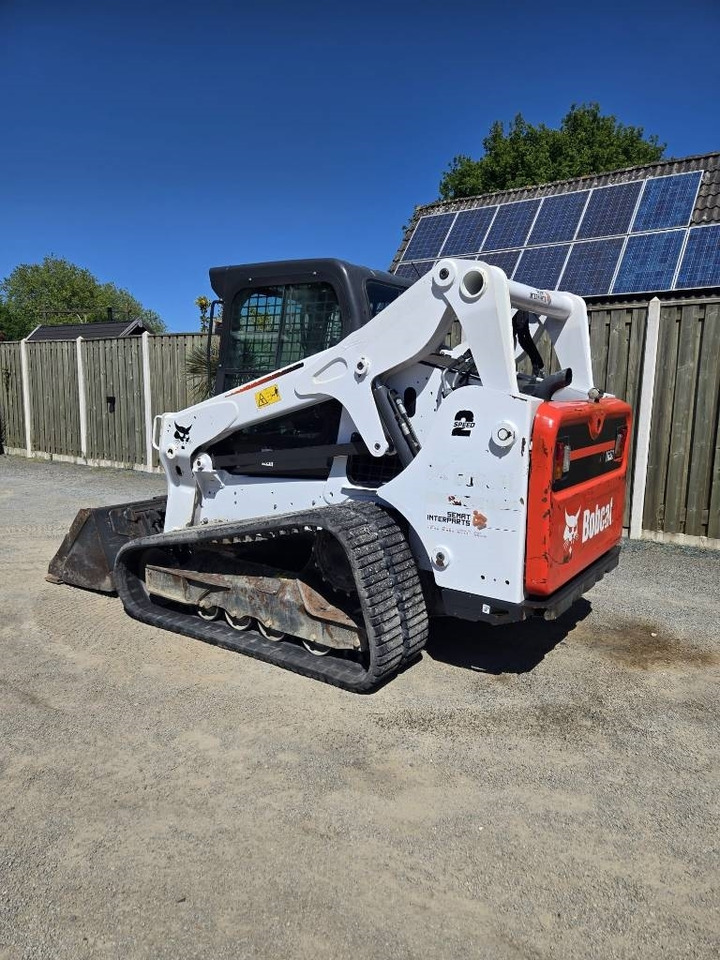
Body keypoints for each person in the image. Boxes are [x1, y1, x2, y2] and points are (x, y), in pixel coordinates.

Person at [512, 309, 544, 378]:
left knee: (524, 337)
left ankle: (538, 366)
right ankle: (538, 366)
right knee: (524, 338)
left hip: (520, 312)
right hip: (520, 312)